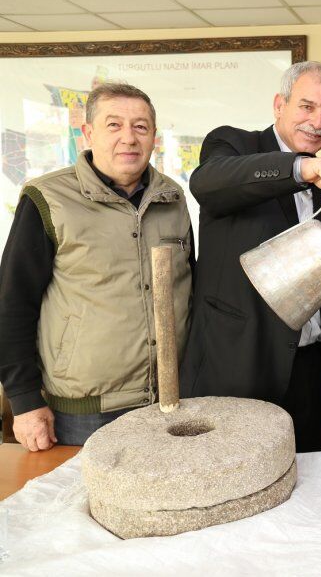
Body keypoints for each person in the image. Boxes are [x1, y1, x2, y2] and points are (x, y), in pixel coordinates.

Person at [180, 61, 321, 453]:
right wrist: (300, 168)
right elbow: (207, 182)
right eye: (307, 107)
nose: (318, 122)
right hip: (238, 362)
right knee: (234, 471)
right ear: (280, 105)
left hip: (309, 368)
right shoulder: (232, 144)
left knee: (305, 473)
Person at [0, 82, 193, 450]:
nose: (129, 138)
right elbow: (12, 304)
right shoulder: (48, 198)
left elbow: (188, 287)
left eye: (140, 126)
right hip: (84, 413)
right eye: (113, 125)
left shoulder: (173, 197)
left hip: (169, 399)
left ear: (154, 136)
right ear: (88, 133)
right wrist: (24, 400)